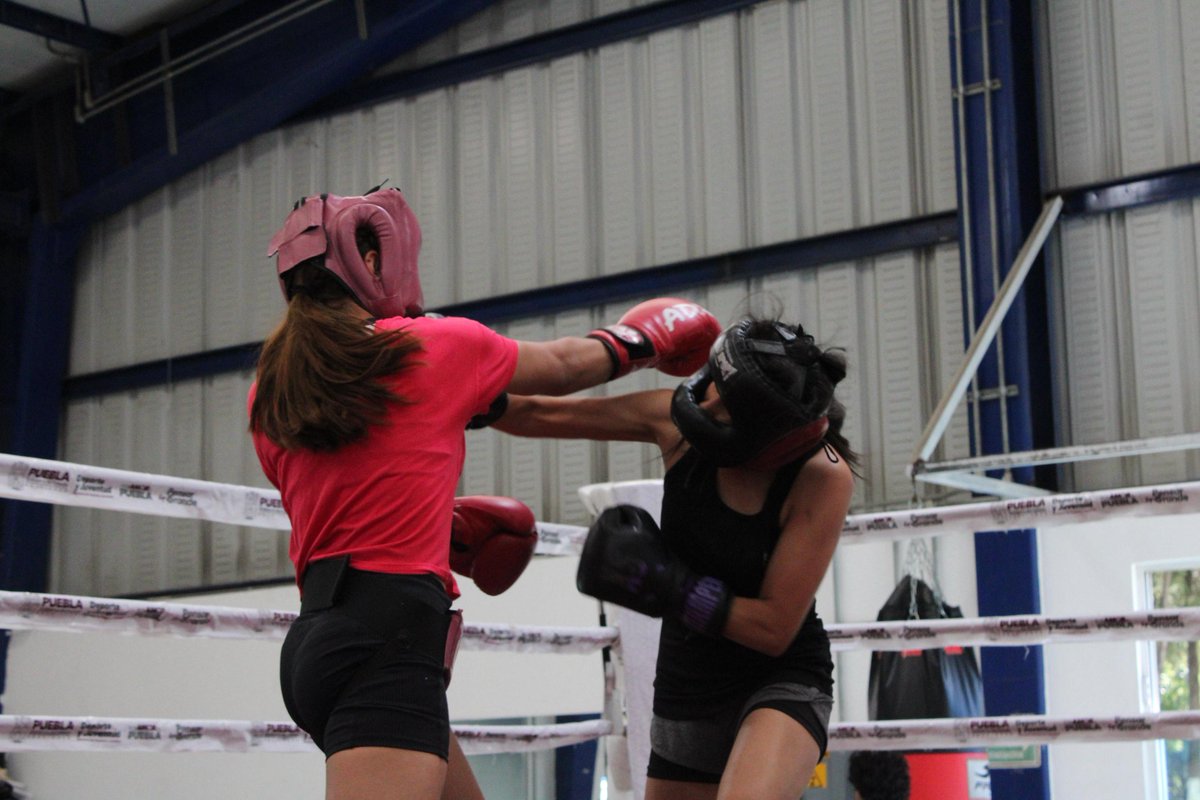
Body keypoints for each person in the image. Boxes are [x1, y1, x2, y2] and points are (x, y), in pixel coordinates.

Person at [247, 186, 721, 800]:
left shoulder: (270, 395)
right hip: (388, 642)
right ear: (369, 262)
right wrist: (642, 338)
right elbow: (568, 366)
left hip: (318, 642)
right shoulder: (432, 348)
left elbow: (339, 500)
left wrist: (434, 527)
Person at [488, 316, 859, 800]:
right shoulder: (674, 423)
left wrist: (672, 587)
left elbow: (773, 629)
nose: (706, 404)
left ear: (764, 436)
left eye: (726, 408)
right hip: (686, 685)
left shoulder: (821, 475)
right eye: (714, 386)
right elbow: (538, 414)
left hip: (776, 681)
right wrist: (452, 382)